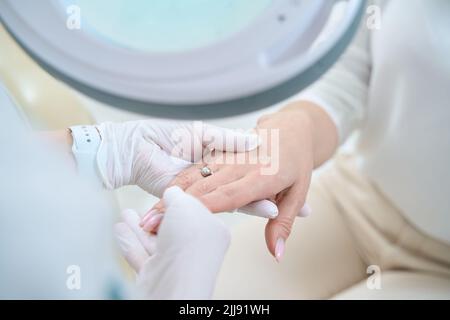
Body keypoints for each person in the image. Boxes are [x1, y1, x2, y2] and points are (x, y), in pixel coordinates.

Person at [155, 0, 450, 299]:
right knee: (189, 291)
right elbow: (351, 77)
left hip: (443, 271)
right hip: (355, 202)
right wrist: (296, 128)